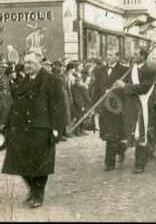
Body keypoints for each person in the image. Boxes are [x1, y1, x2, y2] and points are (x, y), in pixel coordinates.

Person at [2, 52, 67, 208]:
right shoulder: (23, 80)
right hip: (22, 129)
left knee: (40, 164)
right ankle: (33, 190)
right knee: (19, 162)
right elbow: (15, 104)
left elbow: (59, 108)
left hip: (41, 129)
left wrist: (57, 129)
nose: (26, 66)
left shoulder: (51, 80)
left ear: (39, 63)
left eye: (30, 62)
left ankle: (38, 195)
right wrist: (6, 123)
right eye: (25, 63)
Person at [114, 46, 156, 174]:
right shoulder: (131, 69)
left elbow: (143, 88)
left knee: (140, 134)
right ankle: (123, 154)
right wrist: (119, 86)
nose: (134, 56)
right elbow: (126, 85)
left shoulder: (149, 70)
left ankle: (140, 164)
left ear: (143, 56)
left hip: (142, 105)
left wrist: (125, 85)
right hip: (130, 106)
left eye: (137, 54)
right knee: (128, 132)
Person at [93, 48, 129, 171]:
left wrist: (115, 91)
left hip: (116, 107)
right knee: (107, 133)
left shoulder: (124, 70)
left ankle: (109, 163)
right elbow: (96, 88)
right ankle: (121, 148)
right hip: (104, 106)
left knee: (112, 134)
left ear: (117, 57)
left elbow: (126, 89)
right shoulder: (100, 70)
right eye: (107, 54)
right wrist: (94, 106)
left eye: (111, 55)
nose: (108, 57)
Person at [71, 72, 90, 137]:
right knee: (78, 118)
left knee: (83, 117)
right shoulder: (73, 88)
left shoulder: (82, 88)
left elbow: (85, 97)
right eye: (76, 81)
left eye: (79, 81)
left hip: (82, 105)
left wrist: (84, 105)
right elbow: (75, 99)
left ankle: (82, 129)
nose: (78, 83)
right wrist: (80, 106)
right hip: (77, 106)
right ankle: (76, 131)